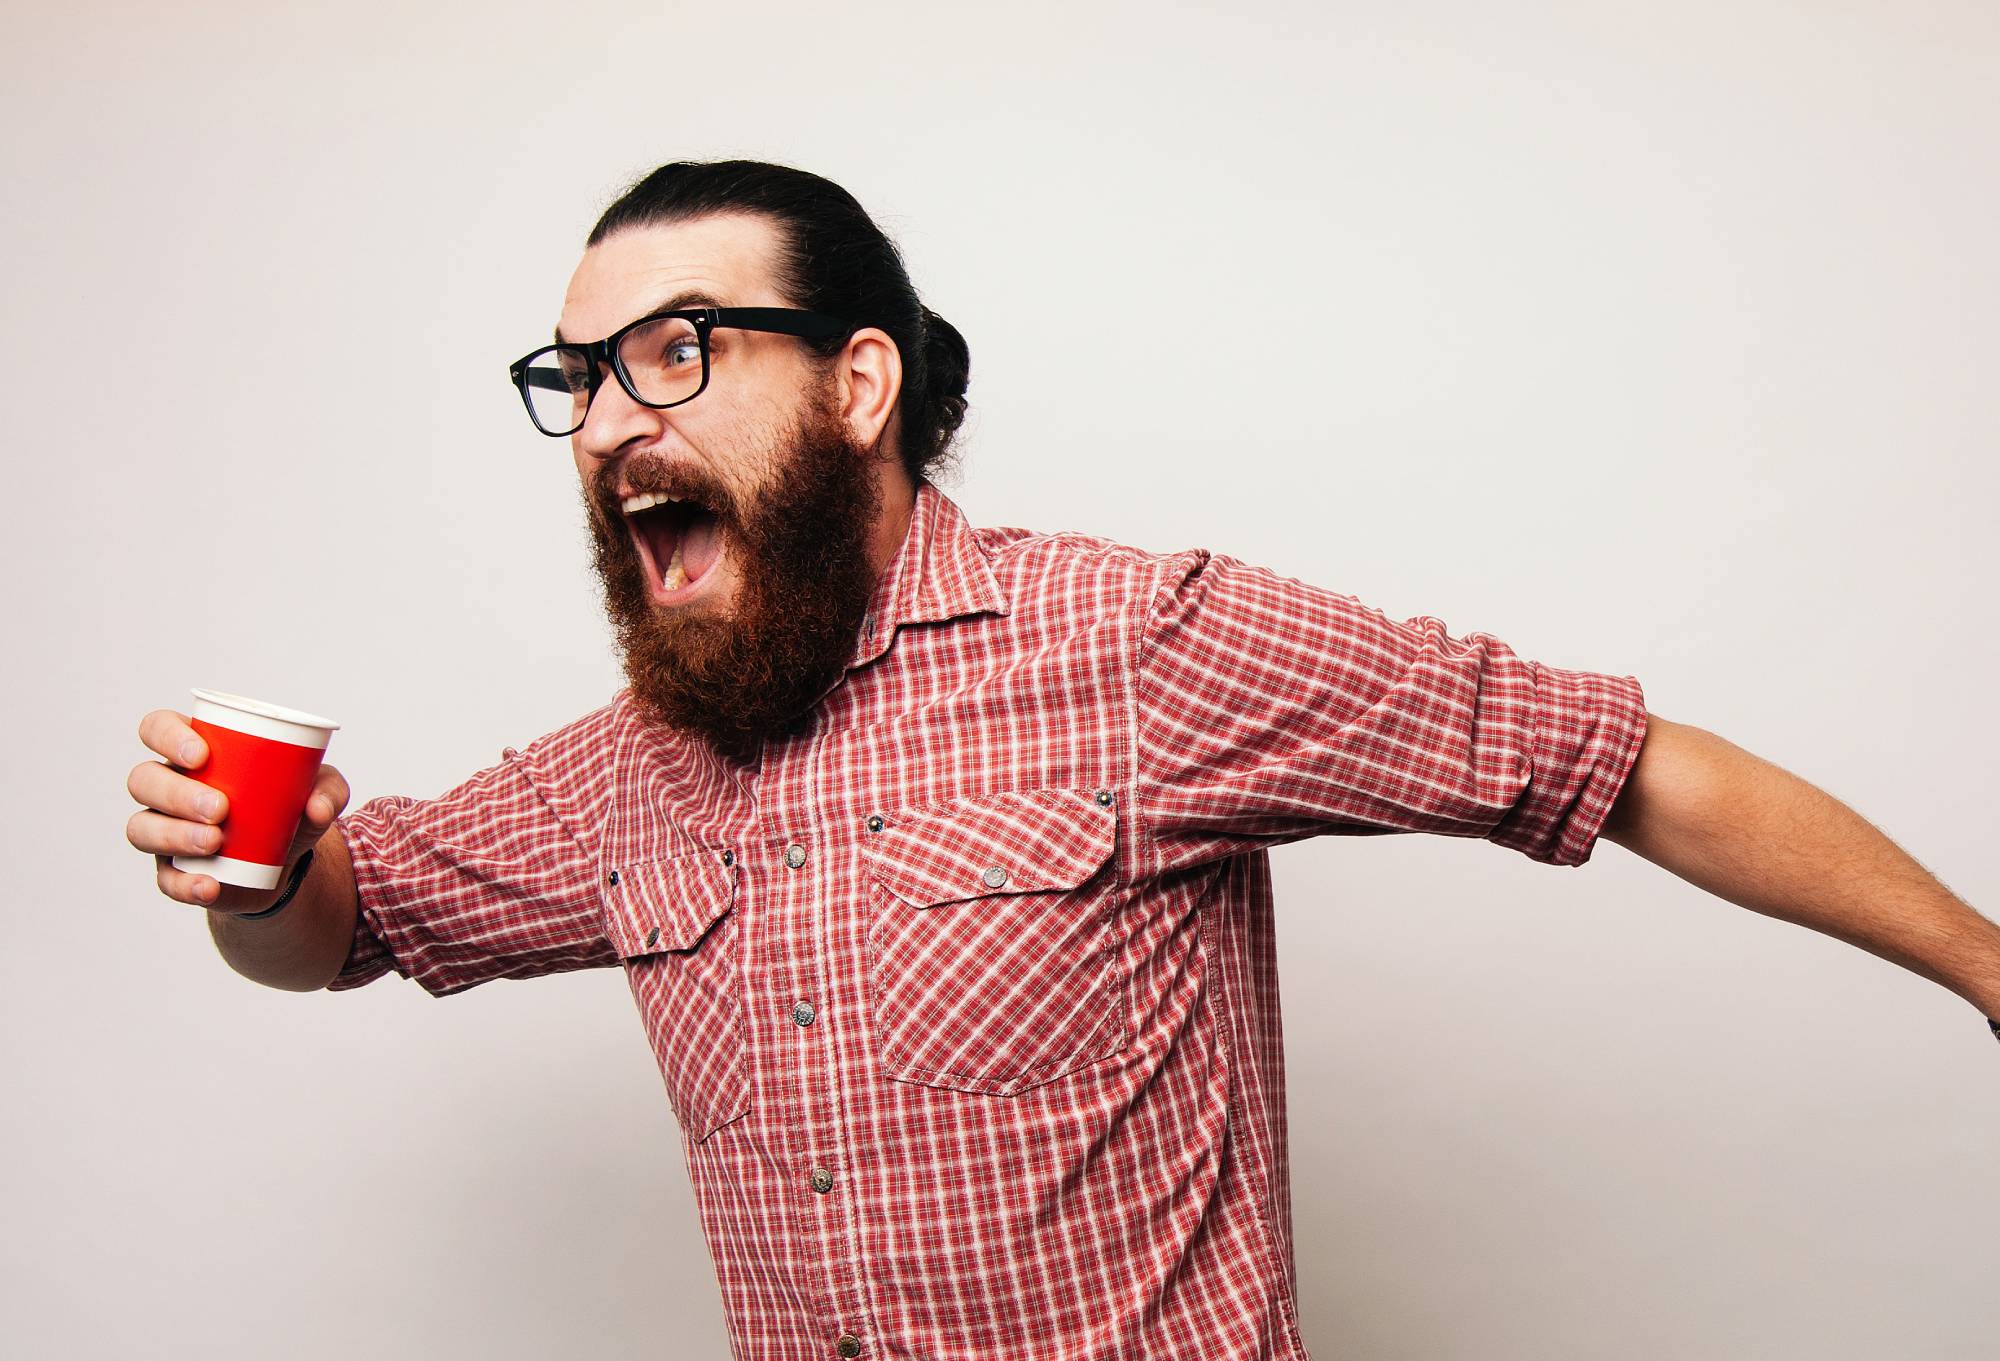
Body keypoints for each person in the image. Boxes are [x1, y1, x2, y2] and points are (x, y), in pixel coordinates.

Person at [125, 160, 2000, 1361]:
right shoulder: (628, 767)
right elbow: (341, 926)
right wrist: (249, 859)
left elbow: (1619, 762)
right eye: (580, 375)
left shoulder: (1137, 642)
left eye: (675, 350)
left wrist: (1996, 974)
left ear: (860, 385)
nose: (611, 417)